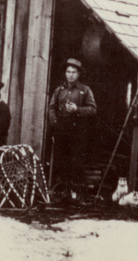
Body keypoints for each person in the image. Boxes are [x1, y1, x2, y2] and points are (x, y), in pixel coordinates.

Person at [48, 58, 97, 200]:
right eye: (68, 72)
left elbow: (93, 109)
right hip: (61, 128)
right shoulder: (59, 90)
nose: (70, 75)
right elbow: (51, 107)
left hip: (78, 130)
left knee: (76, 161)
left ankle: (77, 193)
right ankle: (64, 191)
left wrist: (77, 109)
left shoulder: (85, 90)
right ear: (65, 73)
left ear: (79, 74)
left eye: (74, 72)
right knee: (62, 160)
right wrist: (55, 122)